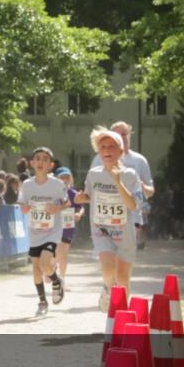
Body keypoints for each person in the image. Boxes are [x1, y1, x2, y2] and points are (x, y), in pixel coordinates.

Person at [76, 127, 144, 312]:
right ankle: (107, 289)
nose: (107, 150)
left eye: (112, 147)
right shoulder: (93, 174)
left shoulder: (130, 175)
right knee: (108, 270)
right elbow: (88, 195)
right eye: (103, 146)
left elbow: (133, 205)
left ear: (121, 151)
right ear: (98, 151)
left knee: (122, 278)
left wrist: (118, 182)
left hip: (125, 233)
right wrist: (81, 198)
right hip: (102, 230)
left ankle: (121, 317)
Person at [17, 147, 68, 316]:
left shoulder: (57, 184)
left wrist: (56, 207)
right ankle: (42, 301)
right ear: (32, 163)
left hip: (52, 231)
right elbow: (22, 205)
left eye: (44, 159)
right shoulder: (27, 184)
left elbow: (66, 203)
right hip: (35, 231)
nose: (40, 161)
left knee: (45, 264)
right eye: (37, 158)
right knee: (36, 270)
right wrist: (24, 208)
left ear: (50, 165)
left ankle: (56, 281)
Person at [91, 121, 154, 248]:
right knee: (109, 258)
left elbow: (150, 191)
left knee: (125, 257)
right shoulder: (99, 159)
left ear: (129, 135)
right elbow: (91, 186)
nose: (121, 137)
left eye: (124, 134)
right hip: (106, 217)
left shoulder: (139, 160)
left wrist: (139, 184)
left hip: (132, 217)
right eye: (116, 134)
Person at [54, 166, 85, 291]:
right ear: (56, 179)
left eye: (67, 177)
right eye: (62, 177)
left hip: (67, 226)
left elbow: (81, 206)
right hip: (53, 227)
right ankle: (51, 267)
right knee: (53, 253)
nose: (64, 180)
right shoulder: (51, 192)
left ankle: (62, 280)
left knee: (64, 254)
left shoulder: (72, 193)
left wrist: (79, 214)